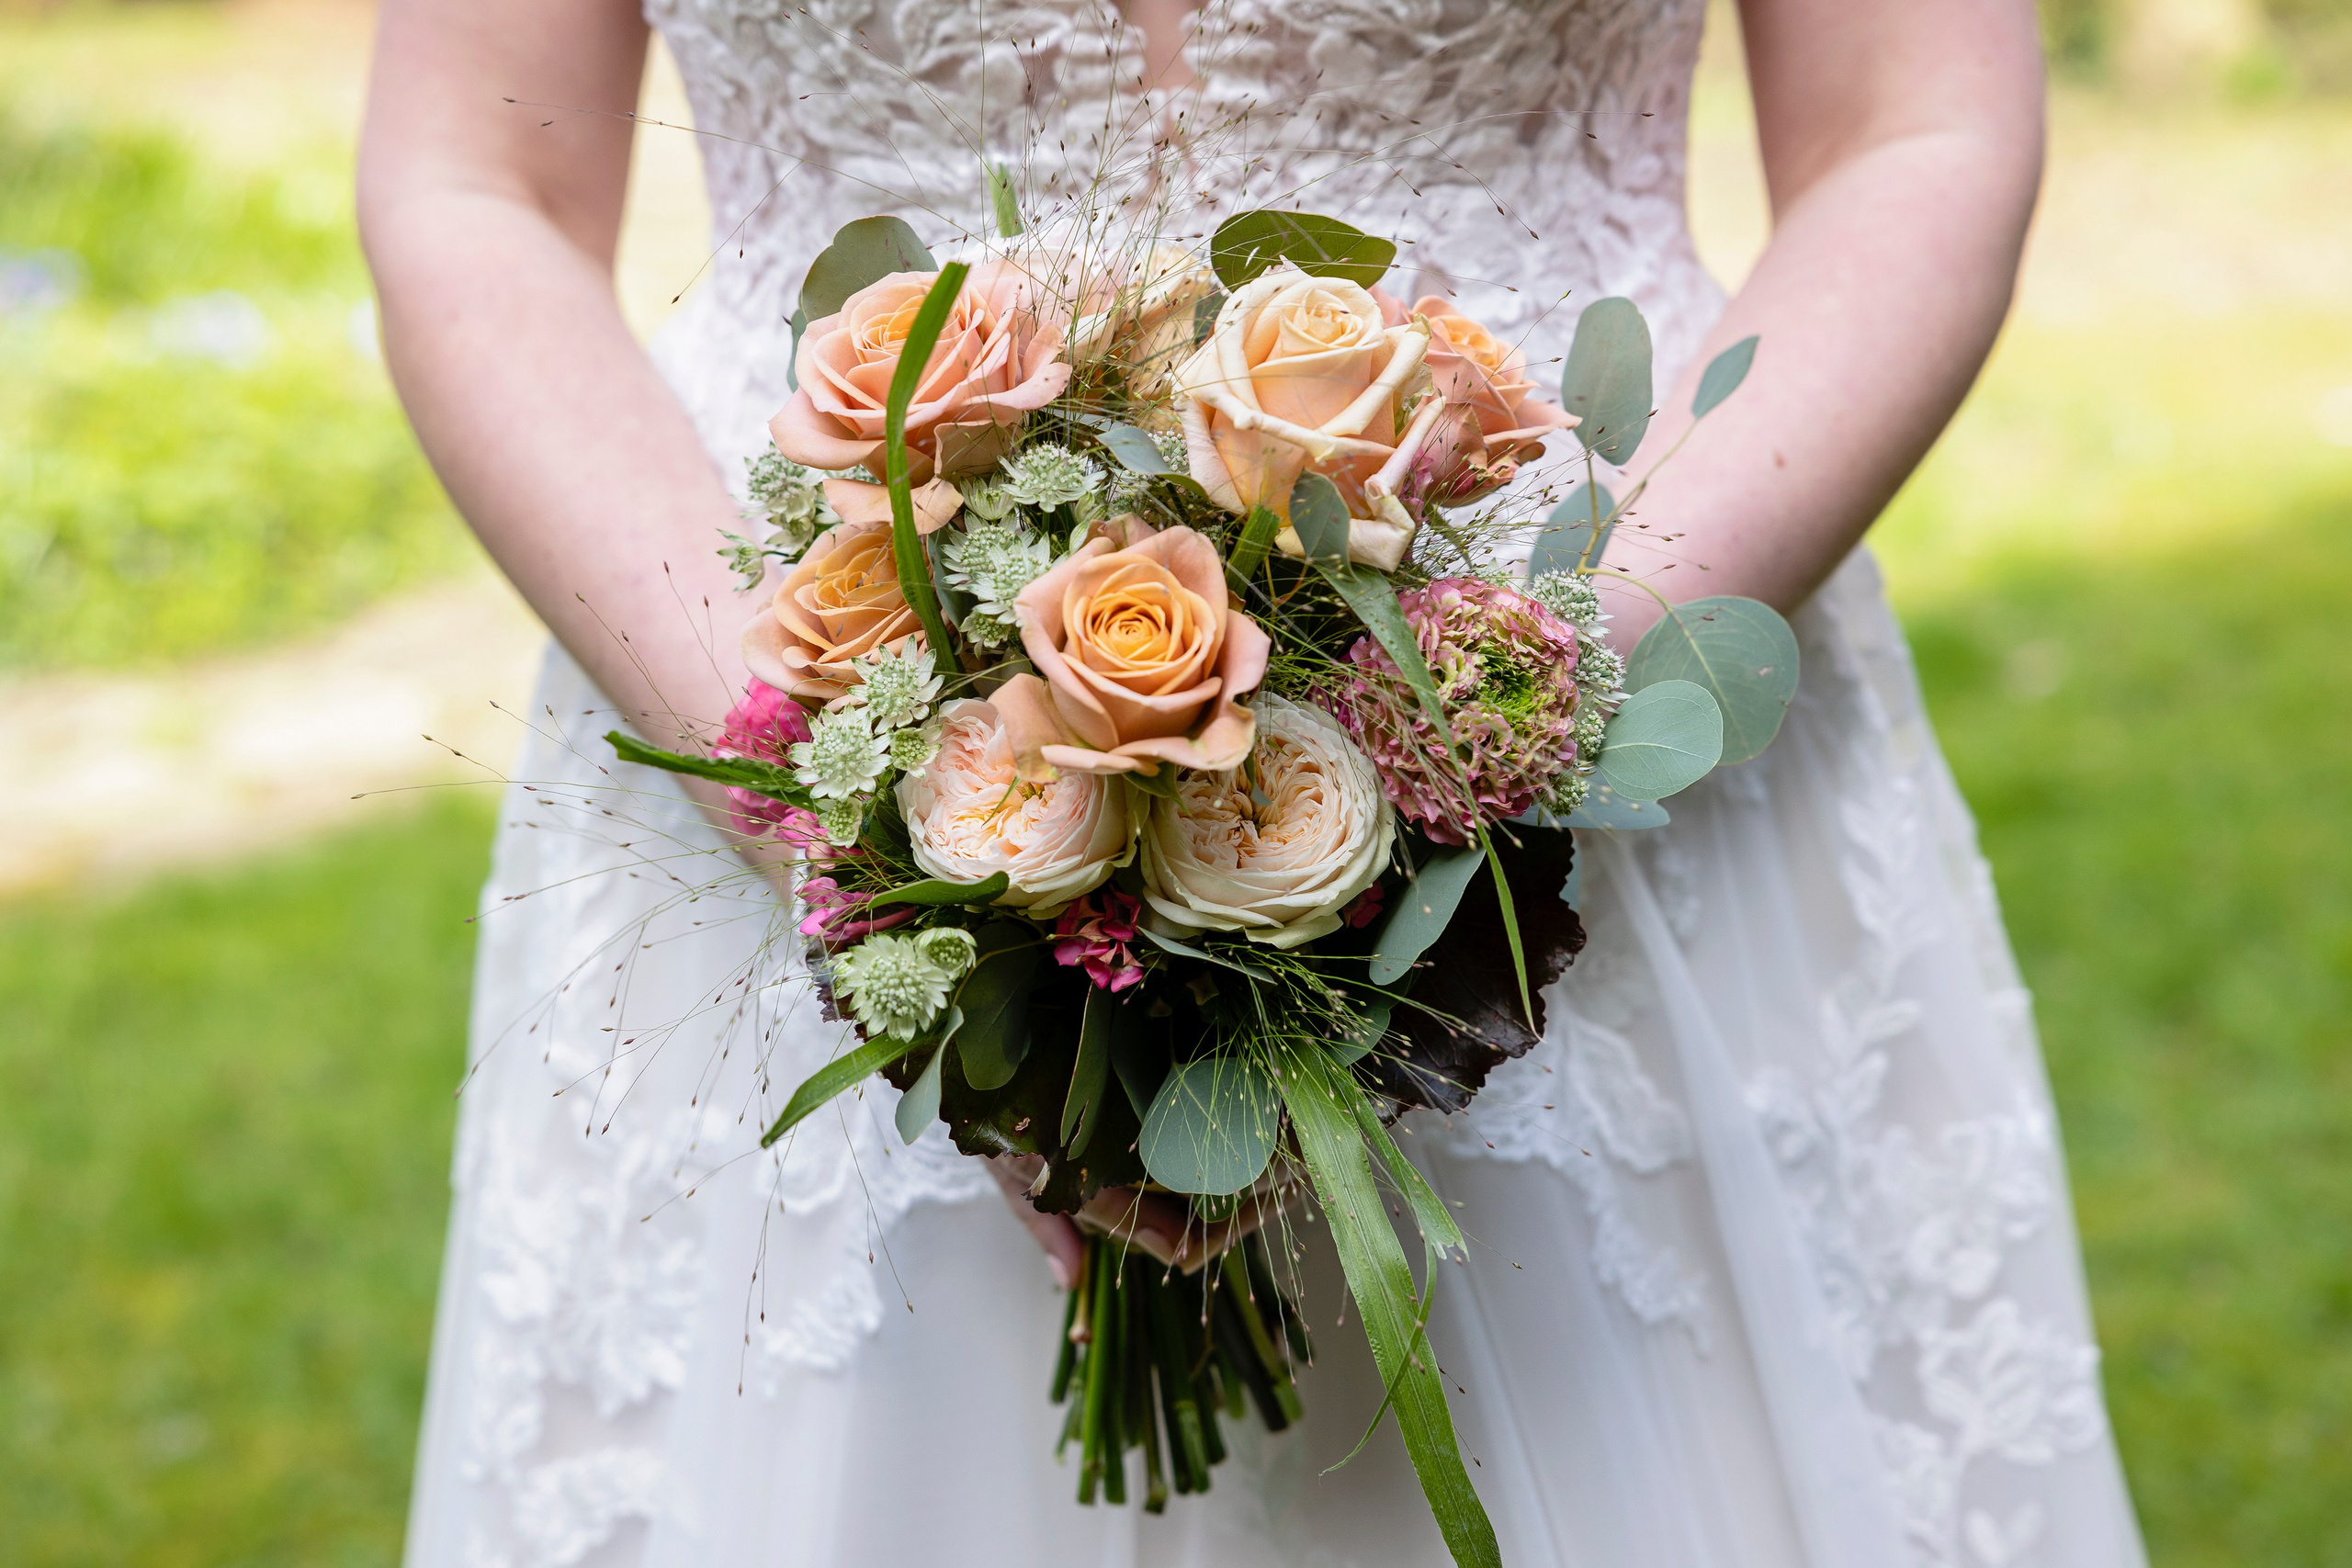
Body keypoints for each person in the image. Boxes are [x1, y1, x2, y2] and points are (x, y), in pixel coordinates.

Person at [361, 1, 2149, 1562]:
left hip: (1626, 698)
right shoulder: (826, 802)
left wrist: (1493, 730)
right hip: (768, 663)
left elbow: (1908, 130)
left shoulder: (1544, 706)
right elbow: (476, 188)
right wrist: (865, 847)